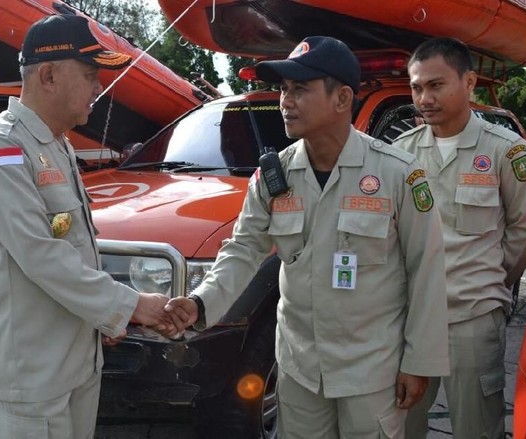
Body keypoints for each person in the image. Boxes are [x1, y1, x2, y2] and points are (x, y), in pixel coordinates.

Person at [164, 36, 450, 438]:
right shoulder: (273, 176)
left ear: (342, 98)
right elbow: (244, 249)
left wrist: (419, 362)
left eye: (300, 89)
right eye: (284, 89)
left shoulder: (397, 173)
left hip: (371, 371)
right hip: (299, 371)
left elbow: (427, 270)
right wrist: (200, 303)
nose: (286, 100)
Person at [0, 14, 173, 439]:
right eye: (90, 74)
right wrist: (130, 306)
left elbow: (76, 247)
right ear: (49, 75)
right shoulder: (1, 146)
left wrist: (105, 319)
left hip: (76, 358)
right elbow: (41, 253)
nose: (99, 87)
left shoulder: (54, 143)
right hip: (34, 373)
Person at [393, 37, 526, 439]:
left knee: (476, 427)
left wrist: (489, 283)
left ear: (469, 81)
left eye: (436, 85)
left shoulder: (505, 151)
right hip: (412, 321)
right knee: (401, 423)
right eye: (416, 87)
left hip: (473, 321)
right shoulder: (400, 154)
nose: (425, 97)